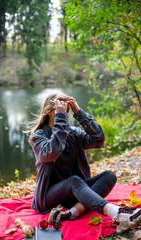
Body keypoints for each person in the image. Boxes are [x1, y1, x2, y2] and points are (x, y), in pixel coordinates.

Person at [29, 90, 141, 234]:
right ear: (50, 111)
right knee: (73, 181)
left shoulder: (73, 132)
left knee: (109, 175)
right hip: (48, 198)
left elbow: (98, 139)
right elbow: (52, 151)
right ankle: (118, 214)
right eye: (62, 110)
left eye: (67, 111)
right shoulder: (39, 136)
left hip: (75, 193)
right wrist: (61, 117)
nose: (67, 114)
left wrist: (79, 113)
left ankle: (71, 213)